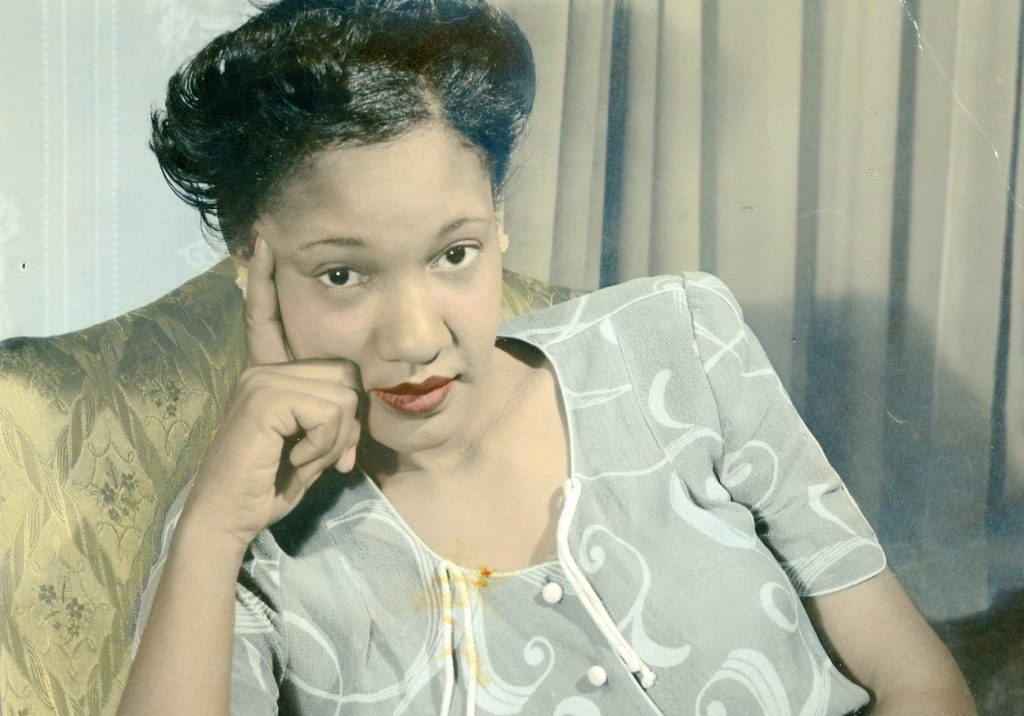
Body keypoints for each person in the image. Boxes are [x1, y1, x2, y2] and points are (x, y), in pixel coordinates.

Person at [118, 1, 976, 713]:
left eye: (454, 254)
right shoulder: (243, 542)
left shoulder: (675, 340)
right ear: (251, 264)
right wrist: (208, 535)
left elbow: (915, 678)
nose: (416, 338)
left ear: (497, 218)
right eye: (343, 274)